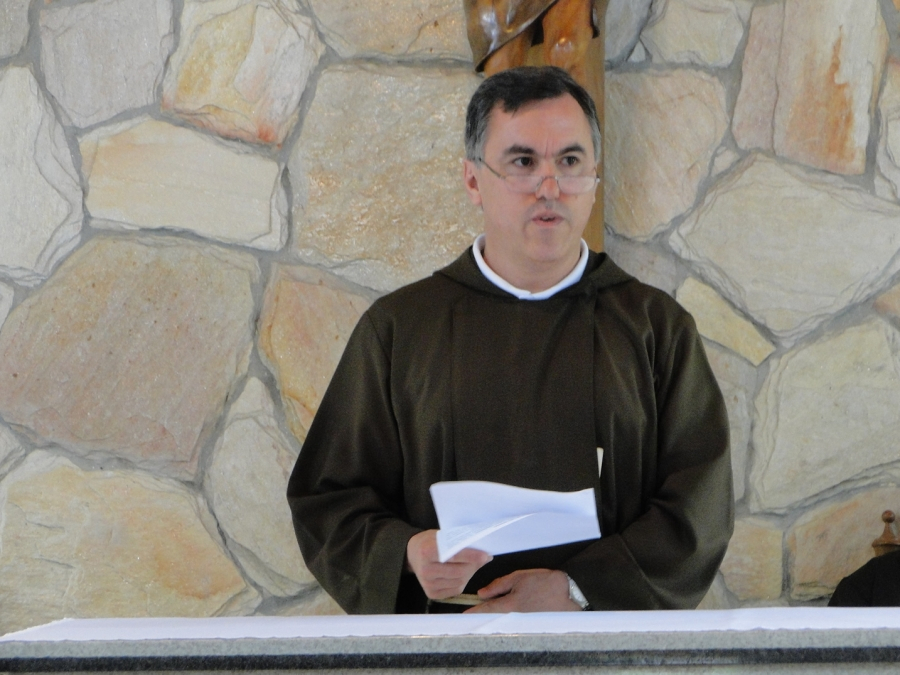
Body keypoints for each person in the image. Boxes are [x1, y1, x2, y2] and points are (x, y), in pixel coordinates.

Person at [287, 66, 733, 614]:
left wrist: (577, 588)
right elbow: (328, 499)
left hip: (605, 648)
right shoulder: (400, 330)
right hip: (445, 644)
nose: (550, 188)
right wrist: (405, 551)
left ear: (595, 177)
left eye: (570, 162)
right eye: (523, 162)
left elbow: (698, 509)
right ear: (473, 180)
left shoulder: (655, 329)